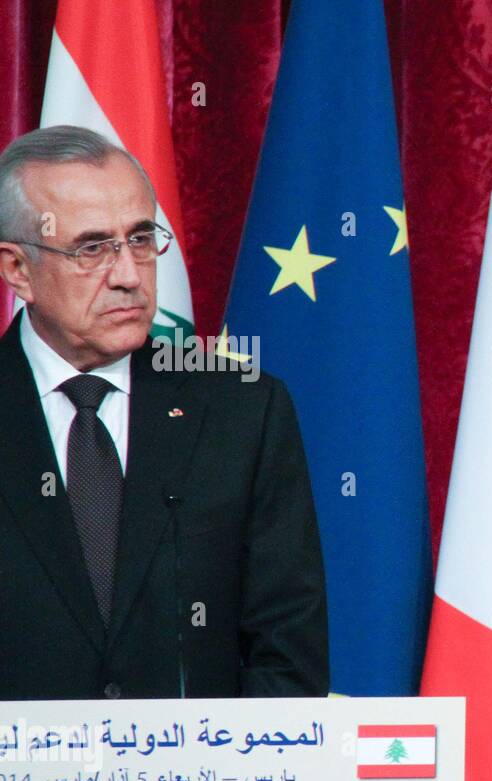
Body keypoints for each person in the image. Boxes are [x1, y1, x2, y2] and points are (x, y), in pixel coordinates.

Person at [0, 125, 328, 699]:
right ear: (17, 270)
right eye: (92, 248)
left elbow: (286, 655)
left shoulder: (243, 409)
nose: (128, 275)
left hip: (201, 780)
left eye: (141, 238)